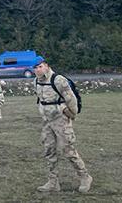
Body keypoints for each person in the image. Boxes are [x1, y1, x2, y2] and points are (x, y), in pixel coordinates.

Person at [33, 57, 92, 193]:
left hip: (61, 121)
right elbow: (41, 100)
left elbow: (70, 99)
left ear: (46, 66)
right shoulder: (36, 81)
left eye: (40, 66)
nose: (37, 70)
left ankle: (85, 177)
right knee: (49, 151)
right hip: (47, 122)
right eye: (35, 68)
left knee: (68, 151)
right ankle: (53, 182)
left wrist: (71, 114)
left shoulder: (58, 80)